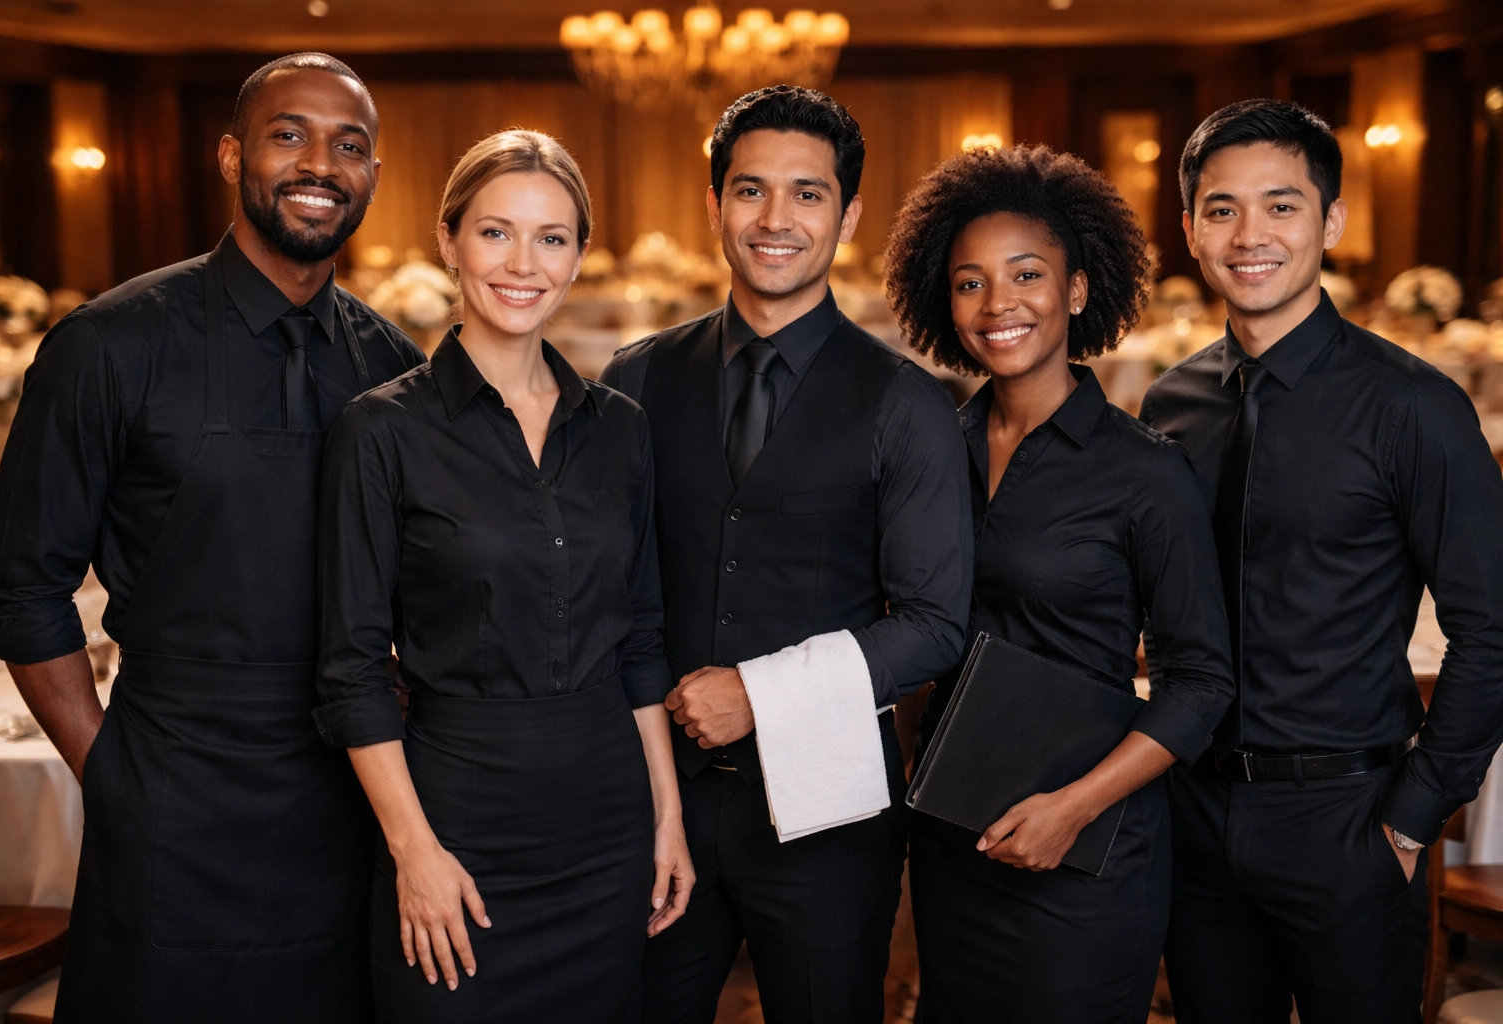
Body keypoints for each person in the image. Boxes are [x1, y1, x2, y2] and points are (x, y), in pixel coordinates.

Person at [0, 53, 426, 1022]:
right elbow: (20, 587)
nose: (320, 164)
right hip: (172, 786)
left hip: (348, 792)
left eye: (349, 146)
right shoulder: (110, 343)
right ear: (230, 156)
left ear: (374, 176)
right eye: (288, 135)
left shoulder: (392, 363)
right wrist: (109, 772)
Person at [600, 85, 973, 1024]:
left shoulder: (907, 402)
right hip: (657, 803)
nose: (775, 219)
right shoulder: (635, 378)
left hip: (830, 818)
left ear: (848, 216)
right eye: (750, 190)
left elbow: (934, 625)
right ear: (715, 205)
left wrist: (757, 695)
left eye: (808, 194)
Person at [314, 129, 693, 1022]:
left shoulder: (621, 429)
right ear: (448, 242)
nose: (524, 264)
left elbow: (641, 642)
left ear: (579, 257)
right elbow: (351, 670)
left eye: (551, 238)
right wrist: (414, 853)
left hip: (608, 832)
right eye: (496, 233)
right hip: (456, 828)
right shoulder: (380, 431)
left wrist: (667, 818)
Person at [1141, 99, 1503, 1024]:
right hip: (1192, 815)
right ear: (1191, 230)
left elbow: (1491, 629)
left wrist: (1413, 818)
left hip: (1348, 819)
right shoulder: (1169, 405)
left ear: (1331, 220)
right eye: (1222, 210)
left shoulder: (1414, 407)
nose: (1250, 235)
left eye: (1282, 205)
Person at [885, 144, 1235, 1023]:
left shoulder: (1145, 472)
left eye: (1027, 274)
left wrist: (1072, 809)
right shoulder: (929, 450)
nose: (997, 304)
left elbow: (1200, 684)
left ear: (1077, 291)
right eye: (969, 283)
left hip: (1086, 848)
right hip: (951, 834)